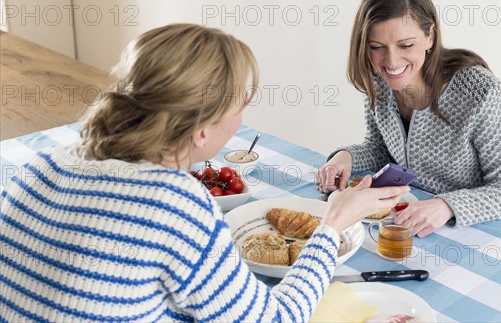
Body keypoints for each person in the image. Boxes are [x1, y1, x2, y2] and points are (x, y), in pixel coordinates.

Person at [0, 24, 408, 321]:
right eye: (238, 105)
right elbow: (275, 320)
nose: (243, 119)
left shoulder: (41, 164)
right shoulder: (172, 202)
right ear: (201, 129)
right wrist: (333, 223)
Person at [316, 0, 501, 238]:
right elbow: (382, 150)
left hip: (478, 234)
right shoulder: (379, 80)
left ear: (430, 36)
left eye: (406, 45)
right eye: (376, 47)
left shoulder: (479, 91)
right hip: (411, 225)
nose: (391, 61)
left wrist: (446, 206)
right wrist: (346, 157)